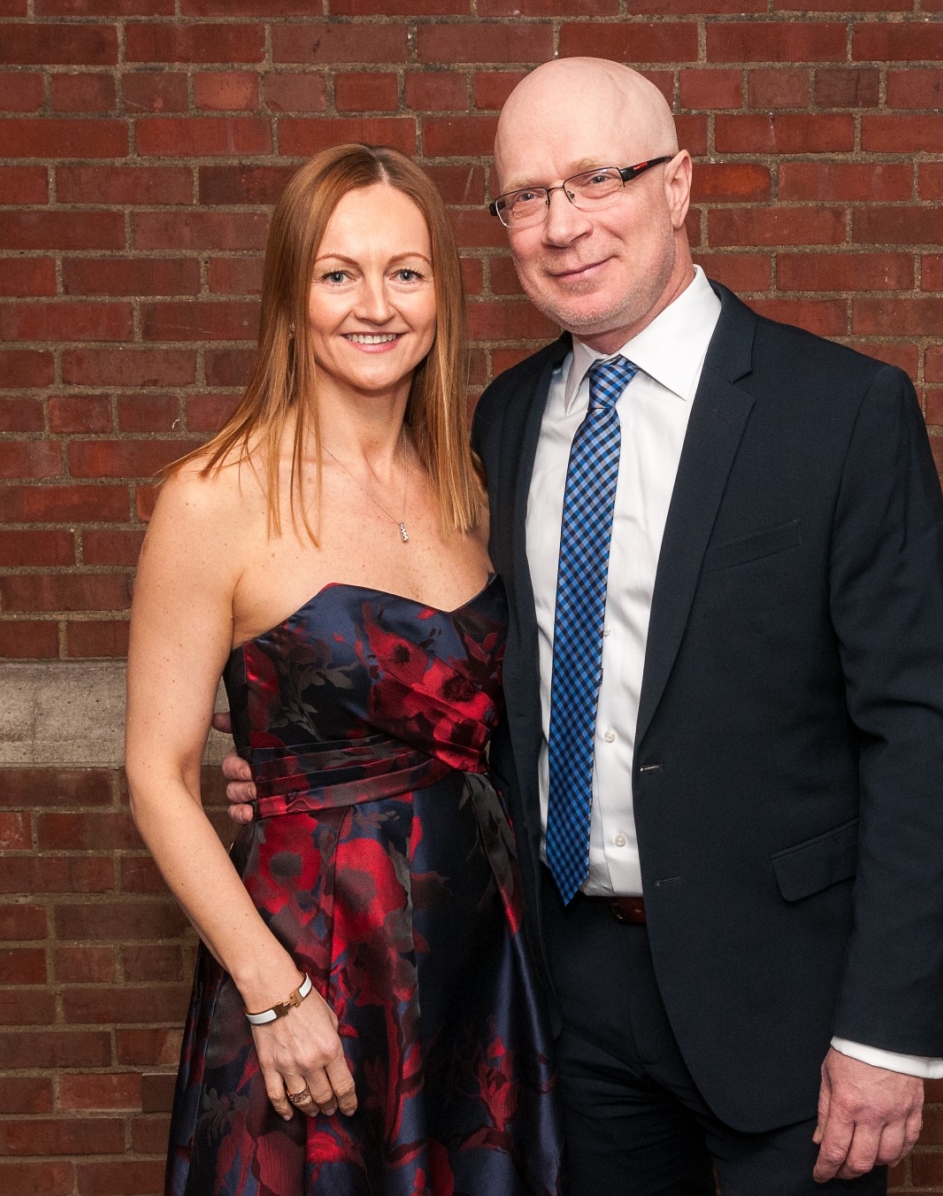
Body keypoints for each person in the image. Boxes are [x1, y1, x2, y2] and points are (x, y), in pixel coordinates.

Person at [225, 58, 943, 1194]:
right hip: (559, 992)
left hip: (786, 1001)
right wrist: (308, 758)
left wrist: (887, 1028)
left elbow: (922, 736)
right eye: (527, 196)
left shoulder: (840, 412)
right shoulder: (503, 420)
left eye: (597, 179)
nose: (562, 225)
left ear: (677, 184)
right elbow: (473, 681)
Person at [126, 142, 560, 1196]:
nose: (376, 305)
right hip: (312, 963)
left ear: (441, 296)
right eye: (338, 274)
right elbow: (157, 774)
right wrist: (272, 991)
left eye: (405, 272)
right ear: (291, 298)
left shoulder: (469, 482)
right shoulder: (213, 498)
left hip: (478, 961)